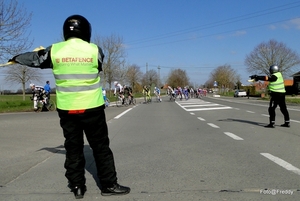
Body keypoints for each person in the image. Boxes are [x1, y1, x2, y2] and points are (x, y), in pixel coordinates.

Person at [8, 15, 130, 199]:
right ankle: (108, 185)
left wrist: (15, 58)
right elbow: (97, 67)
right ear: (86, 31)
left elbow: (34, 59)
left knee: (73, 148)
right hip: (92, 107)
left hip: (67, 109)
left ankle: (77, 186)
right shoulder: (95, 50)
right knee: (100, 147)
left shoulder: (54, 50)